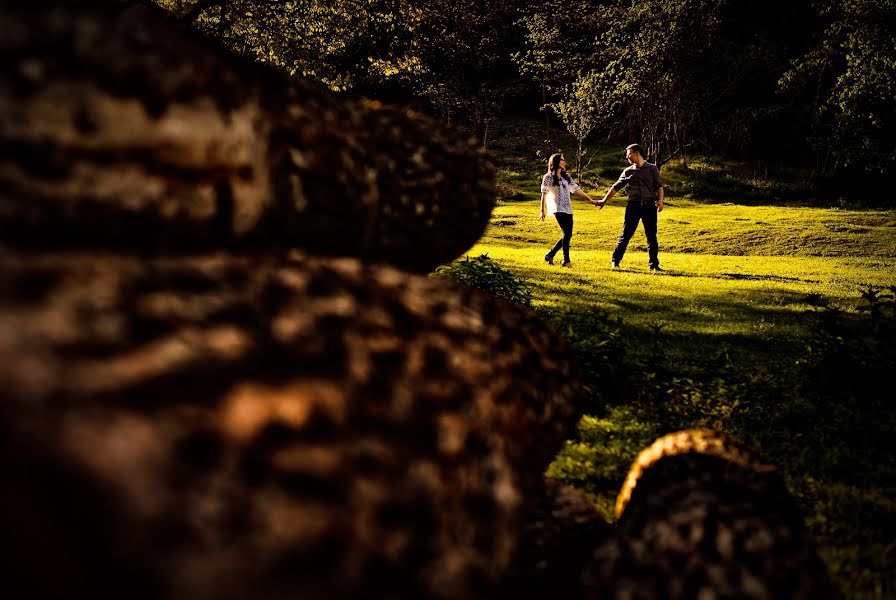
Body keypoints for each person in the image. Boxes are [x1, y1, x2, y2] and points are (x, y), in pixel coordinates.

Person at [596, 144, 665, 271]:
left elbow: (659, 186)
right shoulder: (628, 171)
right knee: (626, 234)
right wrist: (604, 201)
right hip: (633, 206)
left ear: (637, 153)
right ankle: (615, 261)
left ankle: (654, 265)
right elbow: (615, 187)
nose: (627, 156)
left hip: (649, 206)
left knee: (651, 236)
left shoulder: (652, 169)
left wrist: (660, 201)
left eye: (629, 154)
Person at [540, 153, 595, 268]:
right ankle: (566, 260)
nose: (564, 162)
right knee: (567, 233)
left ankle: (550, 254)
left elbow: (577, 190)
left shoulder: (566, 177)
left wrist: (591, 200)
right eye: (562, 160)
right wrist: (542, 211)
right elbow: (544, 194)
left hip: (568, 209)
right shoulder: (548, 177)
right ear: (556, 162)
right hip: (557, 208)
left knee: (568, 234)